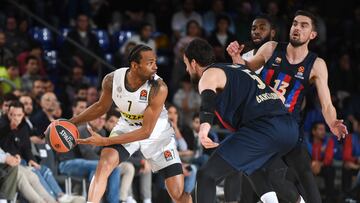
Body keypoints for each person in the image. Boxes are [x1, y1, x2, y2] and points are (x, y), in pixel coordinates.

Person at [227, 10, 348, 203]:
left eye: (303, 25)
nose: (297, 28)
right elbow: (247, 68)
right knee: (267, 177)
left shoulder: (316, 64)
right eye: (294, 23)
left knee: (305, 174)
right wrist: (236, 58)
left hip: (290, 127)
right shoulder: (271, 48)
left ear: (313, 35)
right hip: (263, 125)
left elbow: (326, 104)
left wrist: (332, 122)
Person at [69, 44, 192, 203]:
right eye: (150, 63)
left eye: (155, 62)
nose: (156, 67)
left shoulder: (158, 87)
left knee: (177, 194)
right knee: (104, 165)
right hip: (127, 124)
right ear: (135, 65)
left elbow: (146, 131)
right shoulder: (112, 80)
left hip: (156, 133)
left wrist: (105, 141)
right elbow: (101, 107)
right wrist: (70, 122)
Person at [183, 38, 301, 203]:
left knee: (206, 176)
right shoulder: (238, 68)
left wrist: (204, 128)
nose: (187, 69)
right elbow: (279, 96)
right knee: (257, 168)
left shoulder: (209, 74)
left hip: (263, 129)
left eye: (186, 64)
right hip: (288, 128)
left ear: (193, 63)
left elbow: (207, 101)